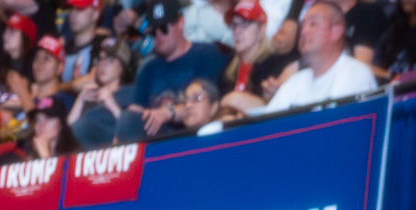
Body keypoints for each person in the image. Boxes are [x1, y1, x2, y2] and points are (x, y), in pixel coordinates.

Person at [114, 0, 227, 137]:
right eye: (153, 31)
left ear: (180, 23)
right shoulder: (148, 69)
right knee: (125, 119)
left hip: (194, 134)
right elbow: (136, 111)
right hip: (155, 137)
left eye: (164, 28)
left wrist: (169, 112)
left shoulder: (206, 55)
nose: (158, 35)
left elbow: (204, 105)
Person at [251, 0, 377, 108]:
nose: (304, 31)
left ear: (336, 31)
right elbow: (269, 123)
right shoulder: (294, 83)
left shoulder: (355, 74)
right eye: (303, 25)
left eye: (313, 24)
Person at [218, 0, 294, 110]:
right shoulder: (227, 71)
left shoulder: (276, 64)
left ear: (261, 29)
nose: (237, 31)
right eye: (235, 25)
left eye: (245, 24)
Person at [69, 35, 135, 143]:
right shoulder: (89, 97)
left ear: (122, 66)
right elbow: (65, 137)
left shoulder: (131, 93)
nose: (103, 63)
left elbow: (135, 132)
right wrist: (80, 101)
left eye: (110, 59)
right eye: (100, 59)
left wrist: (112, 105)